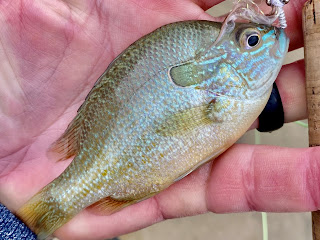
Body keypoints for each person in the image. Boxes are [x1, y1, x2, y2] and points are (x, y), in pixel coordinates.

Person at [0, 0, 310, 239]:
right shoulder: (226, 95)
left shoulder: (228, 95)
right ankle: (45, 212)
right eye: (252, 41)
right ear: (212, 67)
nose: (268, 40)